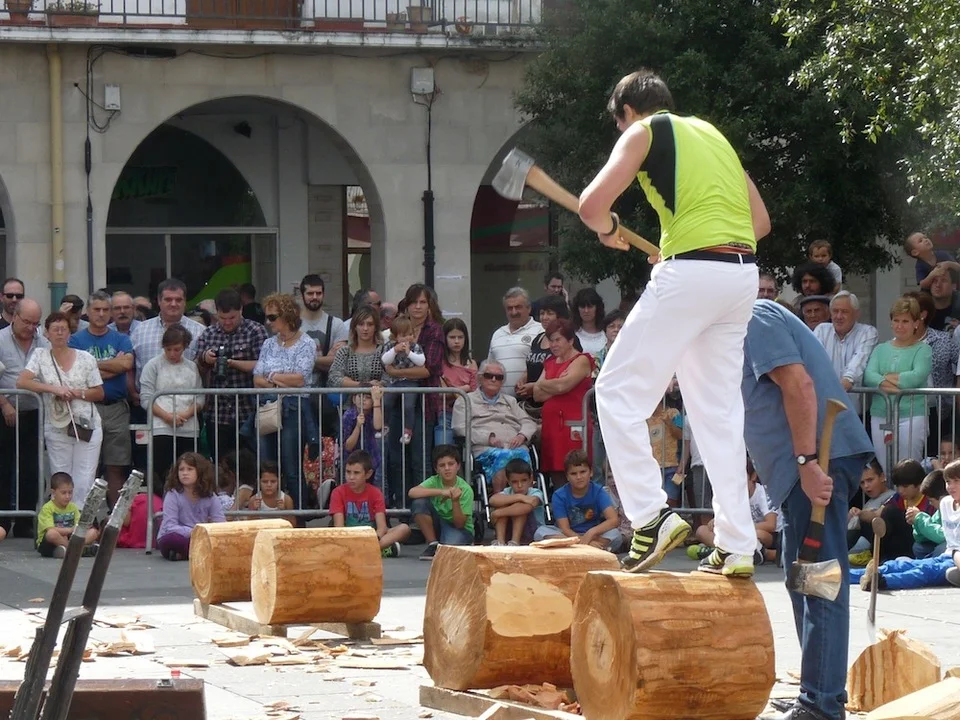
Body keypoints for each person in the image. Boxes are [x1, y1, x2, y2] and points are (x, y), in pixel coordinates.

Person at [578, 69, 770, 574]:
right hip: (740, 274)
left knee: (614, 394)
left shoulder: (644, 131)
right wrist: (678, 248)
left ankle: (649, 516)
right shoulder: (714, 136)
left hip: (692, 274)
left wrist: (608, 229)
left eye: (619, 123)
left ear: (627, 112)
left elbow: (591, 206)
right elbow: (760, 223)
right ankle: (737, 544)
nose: (621, 132)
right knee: (717, 416)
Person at [740, 299, 874, 720]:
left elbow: (798, 385)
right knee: (802, 581)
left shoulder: (754, 316)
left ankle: (821, 702)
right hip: (800, 470)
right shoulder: (742, 321)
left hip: (815, 463)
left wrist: (807, 462)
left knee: (818, 584)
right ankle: (817, 690)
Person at [18, 312, 105, 507]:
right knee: (60, 477)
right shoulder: (40, 355)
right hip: (57, 424)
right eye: (55, 329)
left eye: (63, 329)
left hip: (86, 424)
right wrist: (54, 389)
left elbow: (99, 392)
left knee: (85, 478)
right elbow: (22, 381)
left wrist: (76, 393)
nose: (59, 333)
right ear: (46, 333)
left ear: (69, 333)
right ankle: (61, 519)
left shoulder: (86, 357)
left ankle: (80, 521)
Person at [252, 293, 318, 508]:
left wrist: (271, 377)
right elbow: (256, 378)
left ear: (287, 316)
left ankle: (298, 516)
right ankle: (268, 513)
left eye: (272, 317)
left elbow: (300, 378)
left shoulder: (306, 343)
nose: (268, 322)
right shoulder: (268, 343)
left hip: (294, 408)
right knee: (266, 464)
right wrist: (279, 382)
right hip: (268, 407)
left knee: (291, 466)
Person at [69, 291, 135, 508]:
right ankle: (87, 517)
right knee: (88, 466)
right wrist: (112, 365)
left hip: (116, 409)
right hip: (86, 407)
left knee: (116, 466)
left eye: (106, 310)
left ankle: (114, 520)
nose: (101, 314)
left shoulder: (121, 338)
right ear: (88, 312)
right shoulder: (76, 340)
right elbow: (77, 374)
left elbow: (126, 365)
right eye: (96, 309)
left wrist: (91, 365)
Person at [854, 459, 960, 590]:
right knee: (901, 565)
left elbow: (942, 536)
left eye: (956, 481)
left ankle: (881, 581)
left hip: (955, 559)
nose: (951, 486)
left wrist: (920, 519)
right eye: (948, 482)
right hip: (947, 555)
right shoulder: (946, 503)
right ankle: (845, 575)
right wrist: (918, 524)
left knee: (925, 571)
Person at [195, 288, 267, 462]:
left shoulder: (256, 331)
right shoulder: (208, 333)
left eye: (232, 318)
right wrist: (205, 359)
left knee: (250, 464)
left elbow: (264, 366)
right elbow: (197, 368)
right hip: (217, 413)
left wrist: (232, 362)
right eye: (222, 318)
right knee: (220, 466)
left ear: (241, 310)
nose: (227, 322)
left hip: (248, 412)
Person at [863, 297, 932, 470]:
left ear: (916, 323)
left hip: (912, 415)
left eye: (905, 321)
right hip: (881, 414)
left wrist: (884, 377)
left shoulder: (923, 349)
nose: (899, 325)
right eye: (896, 320)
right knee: (885, 466)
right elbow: (869, 376)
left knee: (909, 466)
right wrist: (897, 385)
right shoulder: (880, 349)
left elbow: (916, 377)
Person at [0, 298, 48, 537]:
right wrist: (4, 404)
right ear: (15, 317)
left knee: (31, 468)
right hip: (4, 412)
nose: (31, 328)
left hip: (34, 413)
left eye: (35, 323)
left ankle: (25, 521)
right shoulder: (0, 340)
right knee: (3, 467)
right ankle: (2, 521)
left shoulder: (44, 343)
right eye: (27, 322)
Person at [452, 360, 537, 493]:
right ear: (480, 378)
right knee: (504, 456)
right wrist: (488, 437)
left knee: (521, 455)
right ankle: (499, 499)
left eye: (498, 377)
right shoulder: (466, 400)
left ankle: (526, 500)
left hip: (515, 446)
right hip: (486, 448)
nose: (493, 379)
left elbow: (528, 422)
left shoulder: (510, 401)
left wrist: (522, 435)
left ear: (502, 382)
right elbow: (460, 428)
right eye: (488, 375)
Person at [139, 324, 204, 488]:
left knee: (189, 473)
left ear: (185, 347)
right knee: (163, 472)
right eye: (168, 349)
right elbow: (146, 398)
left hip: (188, 428)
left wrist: (186, 414)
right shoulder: (153, 365)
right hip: (161, 427)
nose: (172, 354)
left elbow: (200, 397)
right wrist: (167, 416)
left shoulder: (192, 367)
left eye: (177, 349)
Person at [534, 319, 594, 489]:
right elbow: (537, 394)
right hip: (552, 426)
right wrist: (555, 384)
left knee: (577, 469)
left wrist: (544, 383)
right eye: (551, 340)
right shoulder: (550, 363)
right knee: (556, 473)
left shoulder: (581, 360)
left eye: (557, 340)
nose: (553, 345)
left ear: (570, 340)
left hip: (573, 425)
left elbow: (562, 386)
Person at [691, 457, 778, 564]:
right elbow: (725, 519)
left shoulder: (762, 493)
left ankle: (762, 553)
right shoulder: (733, 495)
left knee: (758, 534)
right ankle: (736, 552)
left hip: (765, 535)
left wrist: (743, 529)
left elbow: (771, 525)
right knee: (701, 531)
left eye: (741, 478)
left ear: (753, 476)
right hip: (739, 533)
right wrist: (717, 522)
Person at [534, 449, 622, 551]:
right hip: (568, 535)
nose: (579, 477)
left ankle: (575, 549)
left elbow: (613, 520)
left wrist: (591, 533)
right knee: (541, 532)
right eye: (573, 474)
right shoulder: (559, 495)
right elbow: (564, 528)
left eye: (583, 472)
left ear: (591, 472)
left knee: (616, 535)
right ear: (567, 476)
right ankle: (591, 548)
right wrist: (581, 540)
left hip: (593, 535)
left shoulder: (598, 491)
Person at [331, 449, 411, 558]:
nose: (351, 477)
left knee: (404, 528)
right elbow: (339, 527)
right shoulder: (338, 492)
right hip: (348, 537)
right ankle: (378, 549)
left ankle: (363, 550)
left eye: (356, 473)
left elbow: (381, 527)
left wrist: (373, 540)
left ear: (368, 474)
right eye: (348, 472)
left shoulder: (375, 492)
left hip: (371, 536)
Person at [408, 444, 474, 561]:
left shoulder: (466, 489)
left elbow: (460, 524)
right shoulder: (434, 481)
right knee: (419, 503)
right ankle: (433, 543)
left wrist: (455, 501)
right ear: (436, 469)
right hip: (439, 523)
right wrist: (442, 492)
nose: (447, 468)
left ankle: (452, 544)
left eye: (451, 464)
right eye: (442, 465)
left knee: (448, 551)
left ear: (458, 466)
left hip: (460, 528)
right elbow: (412, 492)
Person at [156, 452, 224, 560]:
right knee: (172, 539)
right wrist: (194, 532)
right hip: (178, 536)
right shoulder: (173, 494)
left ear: (200, 471)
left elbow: (220, 523)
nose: (185, 473)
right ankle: (200, 553)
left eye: (189, 469)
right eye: (181, 470)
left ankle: (186, 554)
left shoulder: (210, 496)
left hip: (201, 537)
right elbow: (170, 526)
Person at [488, 287, 543, 396]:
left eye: (518, 307)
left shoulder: (541, 331)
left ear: (529, 308)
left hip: (528, 400)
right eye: (509, 308)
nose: (514, 312)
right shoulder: (497, 334)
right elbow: (490, 367)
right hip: (499, 401)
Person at [380, 314, 426, 445]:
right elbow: (385, 360)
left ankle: (407, 431)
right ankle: (385, 425)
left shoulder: (415, 347)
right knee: (386, 401)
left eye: (410, 334)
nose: (407, 338)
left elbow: (421, 361)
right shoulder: (390, 346)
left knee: (408, 406)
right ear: (395, 337)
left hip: (411, 381)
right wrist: (394, 351)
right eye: (403, 335)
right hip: (394, 381)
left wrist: (409, 353)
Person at [299, 274, 349, 389]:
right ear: (302, 295)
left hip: (328, 390)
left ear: (323, 294)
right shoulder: (291, 325)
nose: (315, 297)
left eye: (318, 293)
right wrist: (325, 360)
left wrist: (303, 360)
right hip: (299, 391)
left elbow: (340, 362)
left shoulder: (336, 324)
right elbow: (287, 362)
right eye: (310, 293)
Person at [36, 472, 99, 558]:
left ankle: (71, 550)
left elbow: (79, 526)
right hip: (51, 543)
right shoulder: (47, 508)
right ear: (53, 492)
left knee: (93, 532)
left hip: (70, 538)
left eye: (70, 492)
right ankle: (79, 550)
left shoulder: (73, 507)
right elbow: (51, 529)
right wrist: (70, 530)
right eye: (63, 493)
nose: (67, 496)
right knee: (51, 534)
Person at [847, 459, 895, 565]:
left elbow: (879, 519)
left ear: (882, 477)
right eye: (862, 482)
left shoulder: (892, 497)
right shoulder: (869, 502)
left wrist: (860, 514)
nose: (866, 486)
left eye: (870, 480)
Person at [438, 318, 477, 445]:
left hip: (468, 414)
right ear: (445, 338)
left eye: (460, 337)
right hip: (445, 414)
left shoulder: (471, 363)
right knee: (443, 446)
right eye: (452, 337)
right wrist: (464, 388)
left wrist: (455, 390)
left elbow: (474, 390)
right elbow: (441, 393)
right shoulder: (439, 363)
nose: (456, 341)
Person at [488, 458, 545, 546]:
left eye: (524, 480)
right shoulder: (508, 491)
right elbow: (493, 500)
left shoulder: (535, 492)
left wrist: (497, 513)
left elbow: (527, 507)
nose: (520, 485)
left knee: (520, 508)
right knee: (502, 504)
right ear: (508, 481)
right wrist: (520, 497)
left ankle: (515, 542)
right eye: (514, 482)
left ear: (531, 479)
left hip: (532, 532)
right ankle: (500, 541)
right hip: (509, 531)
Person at [341, 387, 384, 489]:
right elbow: (348, 446)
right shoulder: (349, 415)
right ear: (353, 399)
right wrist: (358, 426)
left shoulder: (375, 411)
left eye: (367, 397)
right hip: (352, 461)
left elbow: (378, 426)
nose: (363, 399)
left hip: (370, 459)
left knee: (369, 489)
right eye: (359, 396)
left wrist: (376, 401)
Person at [570, 287, 606, 358]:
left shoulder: (606, 333)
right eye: (582, 307)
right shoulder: (571, 333)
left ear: (597, 308)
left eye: (590, 307)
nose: (586, 311)